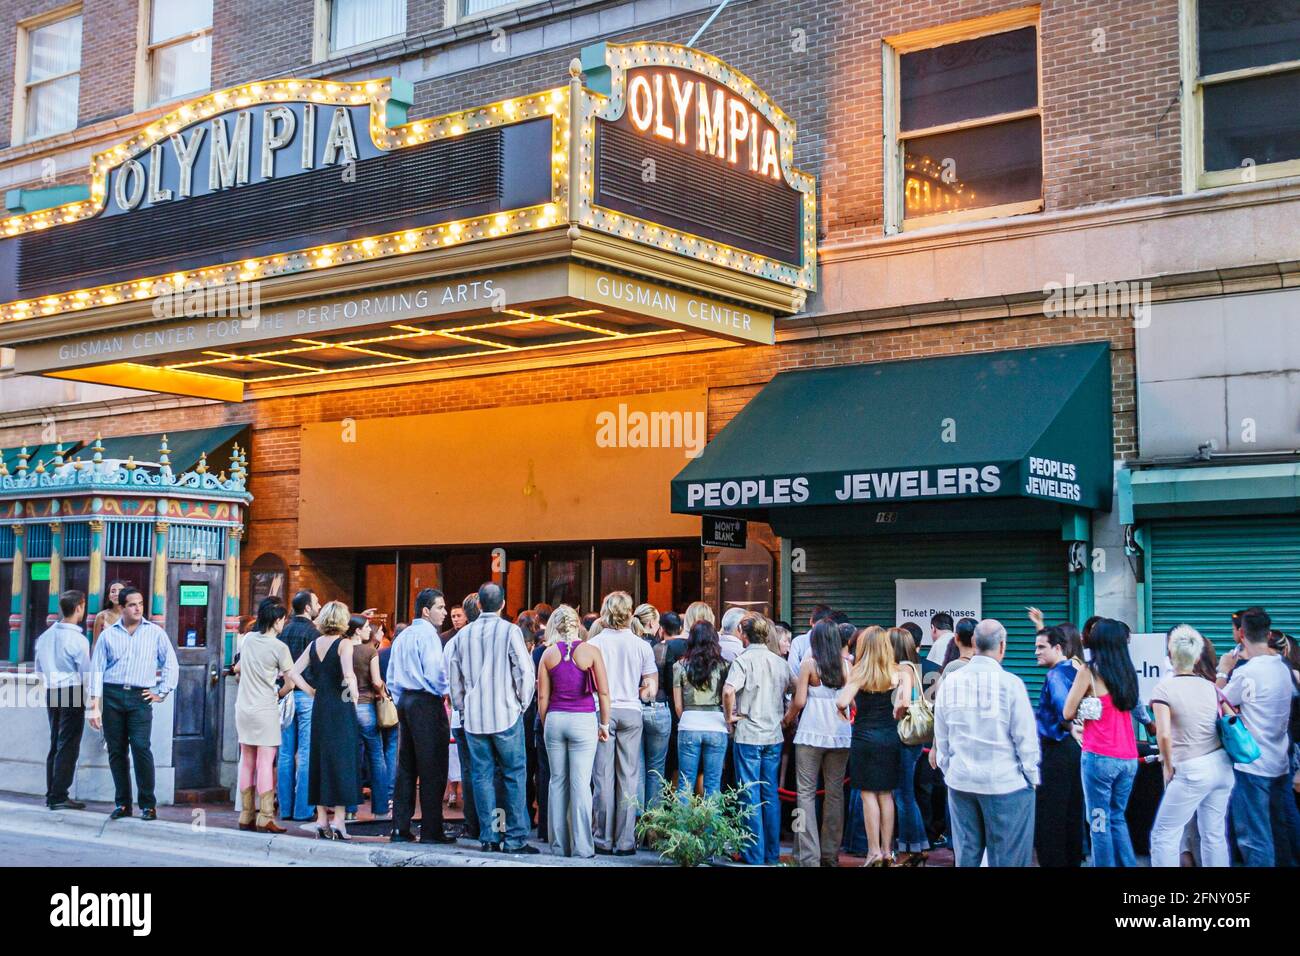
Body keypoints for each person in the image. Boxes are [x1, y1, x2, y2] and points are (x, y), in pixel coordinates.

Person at [933, 619, 1040, 867]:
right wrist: (1031, 777)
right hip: (1005, 783)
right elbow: (1025, 738)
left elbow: (942, 734)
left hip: (960, 782)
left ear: (972, 643)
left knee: (967, 855)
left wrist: (949, 769)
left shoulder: (950, 681)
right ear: (1002, 646)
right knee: (1009, 857)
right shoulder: (1011, 684)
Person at [448, 582, 538, 854]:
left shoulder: (462, 636)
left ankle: (489, 837)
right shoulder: (510, 631)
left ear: (478, 605)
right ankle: (515, 837)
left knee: (481, 776)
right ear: (501, 604)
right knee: (513, 774)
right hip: (505, 713)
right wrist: (522, 703)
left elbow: (455, 680)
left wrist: (463, 707)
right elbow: (524, 670)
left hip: (474, 717)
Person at [87, 587, 178, 821]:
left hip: (140, 698)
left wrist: (162, 691)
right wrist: (94, 706)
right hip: (112, 695)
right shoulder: (108, 635)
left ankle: (148, 805)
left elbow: (170, 663)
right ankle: (123, 804)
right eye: (132, 605)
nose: (138, 608)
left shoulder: (155, 633)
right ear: (122, 607)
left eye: (140, 604)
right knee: (116, 751)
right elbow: (96, 669)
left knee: (141, 748)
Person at [1219, 607, 1300, 867]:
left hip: (1252, 765)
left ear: (1241, 634)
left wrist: (1223, 671)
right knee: (1278, 833)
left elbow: (1218, 701)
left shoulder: (1247, 672)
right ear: (1268, 633)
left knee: (1255, 838)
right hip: (1280, 762)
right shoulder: (1283, 668)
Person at [1148, 625, 1233, 867]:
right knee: (1214, 835)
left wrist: (1167, 765)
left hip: (1191, 768)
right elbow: (1232, 717)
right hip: (1222, 766)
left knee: (1164, 834)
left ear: (1170, 656)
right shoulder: (1211, 687)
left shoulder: (1164, 688)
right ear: (1197, 657)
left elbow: (1163, 733)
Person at [1063, 617, 1140, 867]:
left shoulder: (1089, 671)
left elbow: (1067, 711)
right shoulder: (1128, 672)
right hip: (1128, 757)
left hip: (1099, 756)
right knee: (1117, 817)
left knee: (1098, 821)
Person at [537, 605, 610, 857]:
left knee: (556, 781)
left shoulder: (547, 655)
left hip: (556, 718)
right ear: (578, 624)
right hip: (583, 719)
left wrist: (547, 723)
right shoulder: (591, 651)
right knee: (580, 783)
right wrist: (604, 724)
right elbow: (603, 691)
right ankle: (582, 847)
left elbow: (543, 696)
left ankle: (558, 845)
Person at [589, 591, 657, 855]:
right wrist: (638, 691)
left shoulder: (594, 643)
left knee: (602, 776)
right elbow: (651, 686)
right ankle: (625, 841)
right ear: (630, 613)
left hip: (601, 711)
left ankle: (602, 838)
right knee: (628, 776)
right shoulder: (641, 645)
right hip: (631, 710)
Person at [387, 588, 454, 844]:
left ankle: (399, 829)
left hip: (405, 700)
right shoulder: (428, 636)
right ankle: (431, 830)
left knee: (406, 767)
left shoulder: (403, 636)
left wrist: (399, 699)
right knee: (432, 767)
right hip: (426, 701)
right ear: (426, 611)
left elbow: (392, 675)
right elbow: (437, 673)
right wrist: (447, 693)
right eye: (440, 607)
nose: (445, 612)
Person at [836, 626, 907, 866]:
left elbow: (842, 700)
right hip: (889, 737)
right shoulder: (899, 673)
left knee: (868, 795)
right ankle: (888, 852)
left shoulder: (859, 673)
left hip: (864, 739)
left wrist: (845, 714)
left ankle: (873, 851)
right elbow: (903, 705)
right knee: (886, 794)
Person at [290, 601, 361, 840]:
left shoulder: (313, 644)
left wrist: (311, 691)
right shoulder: (345, 644)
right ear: (343, 620)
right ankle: (339, 821)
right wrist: (354, 697)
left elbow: (292, 672)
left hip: (320, 705)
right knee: (342, 760)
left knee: (320, 759)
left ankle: (321, 820)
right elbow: (348, 674)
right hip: (340, 706)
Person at [725, 614, 793, 865]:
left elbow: (729, 690)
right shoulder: (780, 662)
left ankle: (753, 853)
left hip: (748, 733)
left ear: (744, 634)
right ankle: (771, 854)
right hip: (773, 734)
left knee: (749, 793)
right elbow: (796, 691)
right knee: (770, 793)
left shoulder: (743, 661)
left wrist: (729, 716)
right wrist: (787, 718)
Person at [783, 619, 851, 867]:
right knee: (835, 795)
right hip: (840, 735)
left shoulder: (809, 664)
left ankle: (807, 856)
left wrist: (787, 719)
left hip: (811, 733)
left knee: (805, 795)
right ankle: (830, 855)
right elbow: (851, 703)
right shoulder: (846, 666)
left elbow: (799, 701)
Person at [235, 601, 301, 833]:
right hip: (265, 708)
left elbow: (239, 668)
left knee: (247, 760)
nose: (284, 623)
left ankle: (246, 815)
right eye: (283, 619)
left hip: (243, 707)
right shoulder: (279, 647)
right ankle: (265, 816)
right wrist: (279, 692)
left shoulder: (249, 639)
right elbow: (290, 681)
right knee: (265, 762)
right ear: (276, 620)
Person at [1033, 623, 1085, 867]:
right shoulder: (1074, 670)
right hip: (1072, 751)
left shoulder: (1055, 675)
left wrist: (1070, 725)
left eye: (1042, 647)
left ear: (1058, 647)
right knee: (1071, 813)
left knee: (1051, 816)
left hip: (1056, 751)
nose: (1036, 652)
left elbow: (1064, 709)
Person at [35, 589, 90, 811]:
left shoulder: (44, 636)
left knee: (55, 740)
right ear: (79, 608)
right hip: (72, 690)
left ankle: (52, 792)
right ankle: (59, 795)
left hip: (52, 690)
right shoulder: (78, 639)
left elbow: (38, 669)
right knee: (68, 743)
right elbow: (86, 673)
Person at [277, 589, 321, 822]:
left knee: (285, 753)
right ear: (307, 608)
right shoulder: (314, 633)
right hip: (307, 695)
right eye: (316, 602)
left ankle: (284, 808)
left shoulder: (282, 630)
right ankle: (303, 809)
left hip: (285, 695)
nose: (320, 606)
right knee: (305, 753)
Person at [673, 620, 730, 799]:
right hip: (717, 725)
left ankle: (681, 828)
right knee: (713, 784)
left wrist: (688, 718)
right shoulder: (724, 666)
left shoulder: (680, 666)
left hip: (689, 723)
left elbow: (678, 706)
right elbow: (728, 696)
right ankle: (712, 827)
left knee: (685, 783)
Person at [890, 627, 930, 865]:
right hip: (914, 739)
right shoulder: (915, 668)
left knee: (903, 794)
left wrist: (894, 714)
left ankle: (910, 847)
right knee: (907, 793)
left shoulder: (902, 669)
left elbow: (903, 703)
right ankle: (919, 844)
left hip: (902, 737)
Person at [345, 614, 390, 820]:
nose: (368, 630)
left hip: (347, 706)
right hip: (367, 706)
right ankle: (380, 809)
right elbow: (377, 681)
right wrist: (382, 692)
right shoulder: (369, 650)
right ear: (356, 630)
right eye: (365, 627)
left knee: (351, 758)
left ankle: (350, 809)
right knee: (376, 757)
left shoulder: (342, 649)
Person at [634, 602, 672, 810]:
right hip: (658, 706)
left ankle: (637, 823)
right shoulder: (661, 648)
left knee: (637, 767)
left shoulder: (633, 645)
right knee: (656, 769)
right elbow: (666, 681)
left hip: (635, 707)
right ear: (651, 622)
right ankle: (654, 826)